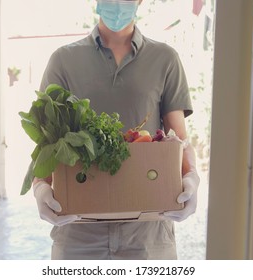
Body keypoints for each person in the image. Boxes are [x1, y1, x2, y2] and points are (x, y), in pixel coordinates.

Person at [32, 0, 200, 260]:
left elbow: (179, 139)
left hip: (147, 233)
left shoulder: (165, 59)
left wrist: (191, 178)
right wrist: (40, 186)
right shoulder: (63, 61)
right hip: (78, 230)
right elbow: (47, 142)